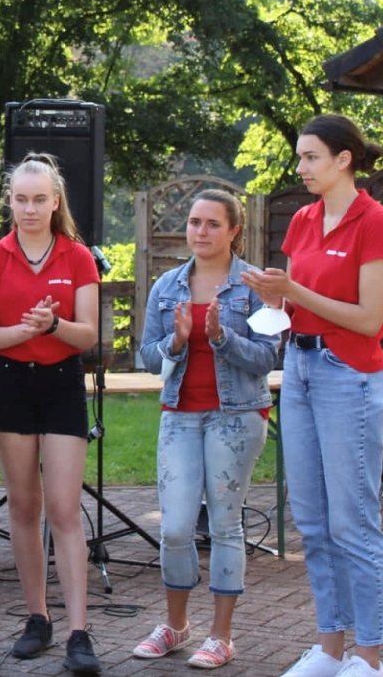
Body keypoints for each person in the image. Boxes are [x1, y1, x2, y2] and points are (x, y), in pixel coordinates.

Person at [242, 114, 383, 677]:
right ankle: (330, 648)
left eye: (310, 158)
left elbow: (370, 319)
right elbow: (296, 306)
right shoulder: (302, 220)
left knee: (354, 521)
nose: (300, 168)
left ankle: (369, 655)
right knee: (313, 520)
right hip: (298, 366)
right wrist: (273, 305)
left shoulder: (373, 221)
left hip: (348, 374)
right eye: (300, 158)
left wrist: (293, 289)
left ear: (344, 159)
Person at [0, 152, 102, 675]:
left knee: (65, 510)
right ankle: (37, 618)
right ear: (11, 201)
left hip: (63, 383)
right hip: (11, 384)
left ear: (55, 201)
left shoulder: (78, 257)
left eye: (39, 199)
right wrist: (25, 332)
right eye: (21, 199)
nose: (29, 208)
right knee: (25, 506)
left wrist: (53, 326)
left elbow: (87, 335)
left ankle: (78, 630)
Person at [133, 190, 279, 669]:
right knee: (174, 527)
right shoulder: (167, 286)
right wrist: (176, 342)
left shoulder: (256, 286)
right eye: (195, 222)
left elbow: (266, 357)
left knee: (223, 524)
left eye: (213, 224)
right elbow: (147, 356)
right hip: (179, 414)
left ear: (234, 230)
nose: (201, 231)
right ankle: (175, 626)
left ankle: (221, 636)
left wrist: (221, 337)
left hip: (235, 416)